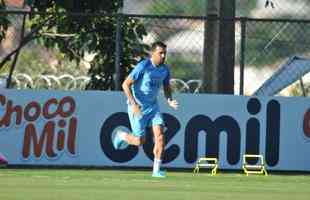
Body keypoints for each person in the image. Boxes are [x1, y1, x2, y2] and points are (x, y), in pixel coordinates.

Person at [113, 41, 178, 178]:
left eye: (165, 53)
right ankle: (121, 135)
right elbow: (125, 84)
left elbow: (166, 87)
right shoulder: (143, 66)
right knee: (139, 141)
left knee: (160, 136)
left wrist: (169, 100)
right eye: (160, 53)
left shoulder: (165, 70)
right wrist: (133, 104)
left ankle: (156, 171)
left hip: (153, 107)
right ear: (153, 53)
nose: (163, 56)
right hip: (138, 107)